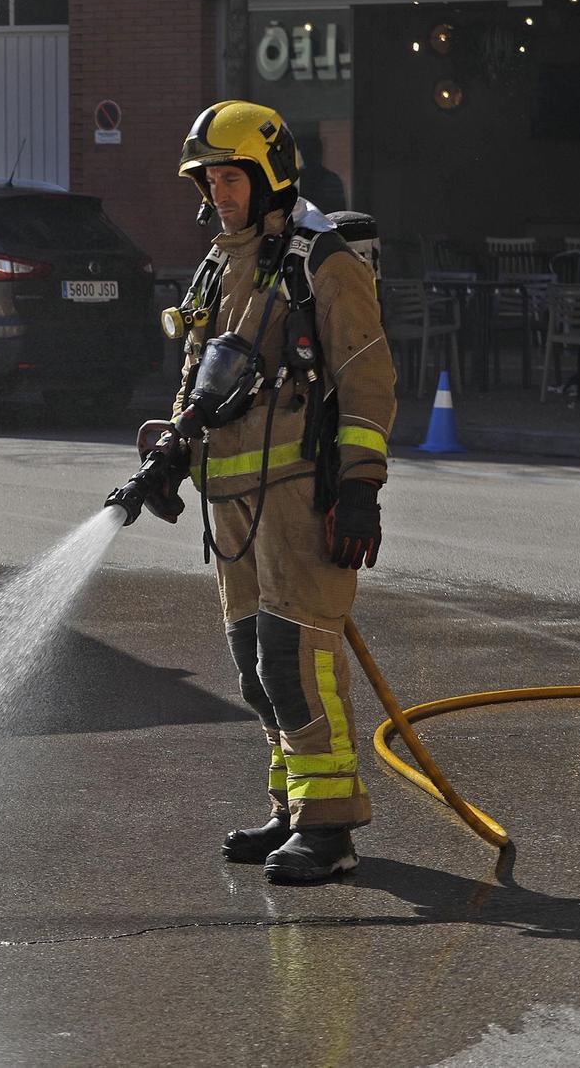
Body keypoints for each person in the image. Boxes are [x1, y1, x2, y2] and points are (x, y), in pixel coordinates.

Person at [145, 101, 396, 885]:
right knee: (255, 668)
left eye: (231, 178)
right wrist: (169, 457)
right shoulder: (221, 265)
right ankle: (293, 805)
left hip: (299, 499)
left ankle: (330, 827)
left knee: (297, 660)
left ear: (269, 176)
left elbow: (368, 375)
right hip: (232, 504)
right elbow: (199, 378)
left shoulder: (321, 261)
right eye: (211, 180)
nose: (219, 194)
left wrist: (360, 487)